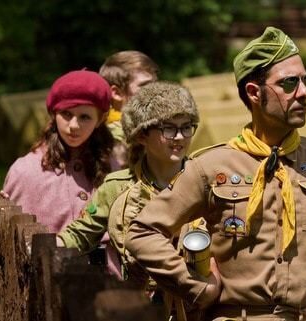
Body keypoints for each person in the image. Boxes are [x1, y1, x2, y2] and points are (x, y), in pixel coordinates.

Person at [125, 26, 306, 321]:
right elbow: (143, 232)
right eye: (288, 84)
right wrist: (197, 287)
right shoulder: (212, 167)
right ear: (254, 93)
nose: (304, 92)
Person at [57, 81, 202, 320]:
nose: (179, 137)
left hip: (199, 305)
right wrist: (48, 246)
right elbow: (80, 234)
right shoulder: (118, 188)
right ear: (142, 135)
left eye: (187, 127)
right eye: (169, 129)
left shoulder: (207, 180)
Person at [2, 70, 116, 233]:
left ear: (101, 119)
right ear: (53, 114)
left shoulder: (114, 166)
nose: (74, 125)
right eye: (66, 114)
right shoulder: (25, 171)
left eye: (85, 117)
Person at [99, 50, 159, 168]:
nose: (156, 91)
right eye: (145, 85)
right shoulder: (106, 138)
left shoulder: (153, 125)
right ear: (116, 93)